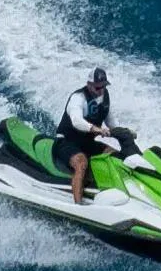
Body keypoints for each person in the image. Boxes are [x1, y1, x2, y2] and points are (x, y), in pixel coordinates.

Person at [56, 70, 137, 201]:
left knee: (114, 154)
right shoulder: (78, 98)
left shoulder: (104, 97)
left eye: (104, 86)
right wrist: (95, 129)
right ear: (89, 84)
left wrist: (125, 132)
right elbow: (76, 121)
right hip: (67, 141)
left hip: (87, 142)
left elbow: (112, 123)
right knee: (81, 162)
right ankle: (78, 205)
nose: (101, 90)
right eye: (98, 87)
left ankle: (127, 192)